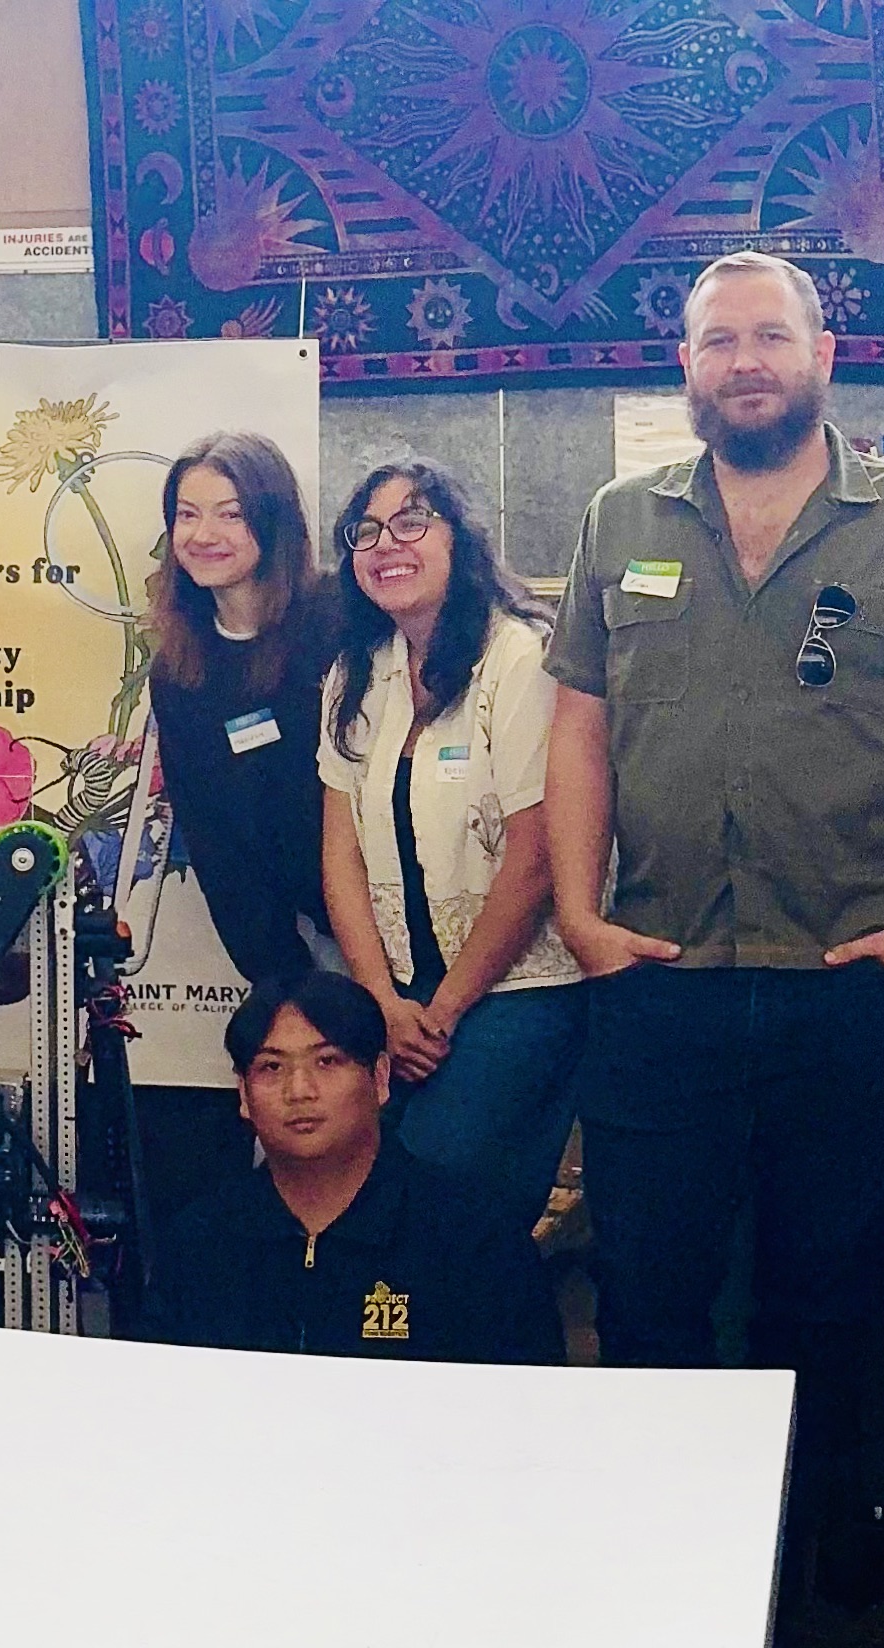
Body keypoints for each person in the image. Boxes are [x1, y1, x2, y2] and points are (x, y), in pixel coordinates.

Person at [547, 250, 884, 1606]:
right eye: (716, 341)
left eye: (768, 336)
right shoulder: (617, 518)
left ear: (824, 350)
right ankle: (667, 1556)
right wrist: (578, 912)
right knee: (646, 1288)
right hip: (657, 971)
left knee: (834, 1281)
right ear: (683, 362)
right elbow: (578, 725)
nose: (742, 361)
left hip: (851, 972)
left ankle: (833, 1546)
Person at [314, 457, 581, 1243]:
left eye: (411, 521)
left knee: (435, 1189)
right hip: (396, 995)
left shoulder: (520, 658)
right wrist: (382, 1003)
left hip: (518, 990)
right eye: (365, 530)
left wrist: (442, 1010)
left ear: (459, 539)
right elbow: (341, 856)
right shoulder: (356, 673)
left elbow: (535, 858)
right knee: (369, 1190)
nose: (385, 543)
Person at [131, 432, 335, 1242]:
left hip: (394, 915)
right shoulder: (179, 666)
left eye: (229, 512)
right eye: (186, 514)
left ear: (272, 523)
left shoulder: (333, 623)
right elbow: (214, 839)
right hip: (292, 942)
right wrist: (283, 976)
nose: (204, 534)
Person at [147, 972, 561, 1364]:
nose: (299, 1091)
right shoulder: (200, 1244)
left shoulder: (472, 1238)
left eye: (327, 1062)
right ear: (243, 1093)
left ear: (379, 1078)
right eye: (271, 1067)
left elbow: (529, 1410)